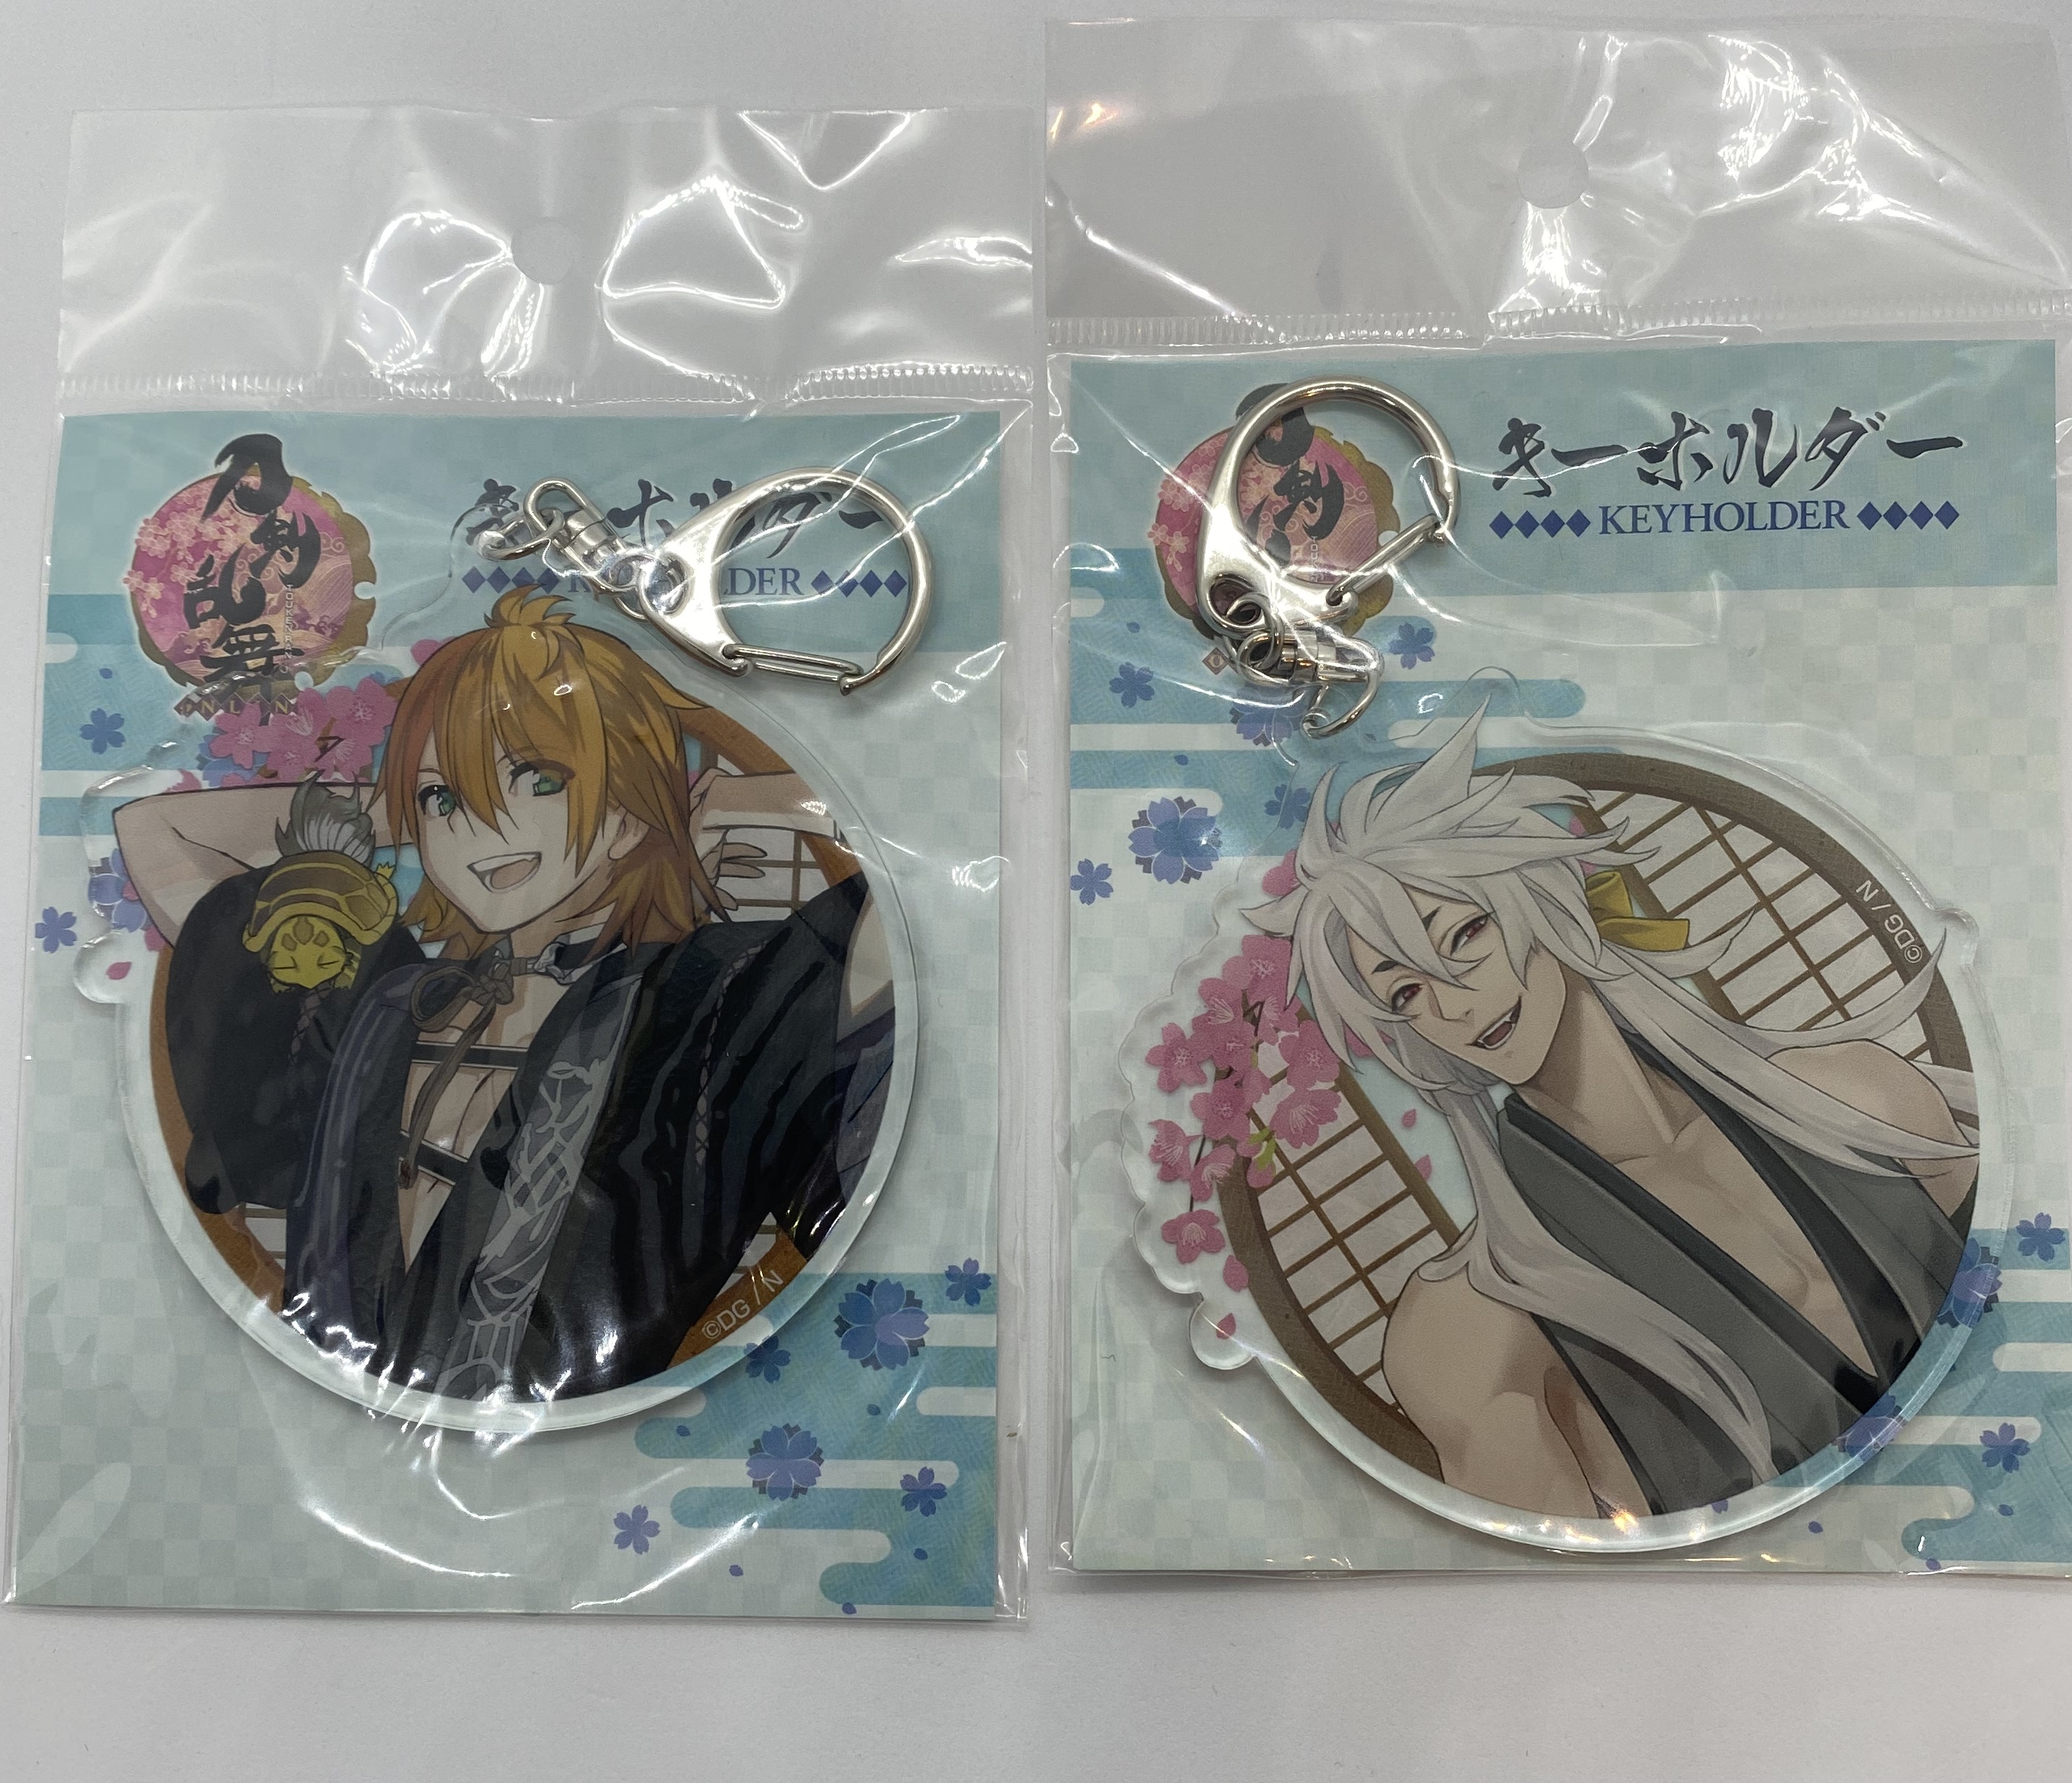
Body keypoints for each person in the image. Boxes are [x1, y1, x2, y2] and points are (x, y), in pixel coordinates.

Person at [117, 589, 895, 1409]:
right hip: (335, 1409)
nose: (482, 828)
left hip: (599, 1428)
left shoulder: (709, 995)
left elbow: (901, 913)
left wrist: (727, 799)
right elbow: (156, 835)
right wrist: (402, 806)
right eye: (443, 799)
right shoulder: (389, 1000)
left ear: (633, 806)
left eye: (538, 779)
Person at [1250, 713, 1977, 1520]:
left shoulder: (1857, 1099)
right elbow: (1563, 1581)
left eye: (1465, 933)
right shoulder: (1469, 1325)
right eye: (1406, 993)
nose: (1453, 1004)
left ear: (1545, 901)